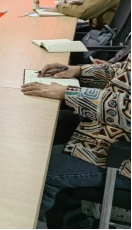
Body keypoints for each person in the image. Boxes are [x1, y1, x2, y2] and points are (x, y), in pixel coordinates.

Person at [21, 57, 130, 228]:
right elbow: (122, 72)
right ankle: (70, 221)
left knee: (41, 169)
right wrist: (78, 71)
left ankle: (13, 220)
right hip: (110, 131)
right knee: (49, 128)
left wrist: (70, 93)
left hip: (123, 157)